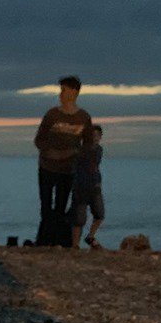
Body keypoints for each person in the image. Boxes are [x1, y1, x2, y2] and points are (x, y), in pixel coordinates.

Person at [33, 76, 94, 247]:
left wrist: (75, 153)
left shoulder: (83, 118)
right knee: (46, 206)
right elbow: (39, 139)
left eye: (64, 90)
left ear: (74, 92)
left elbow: (88, 144)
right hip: (47, 166)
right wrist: (49, 152)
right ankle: (43, 241)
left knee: (60, 206)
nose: (61, 94)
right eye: (61, 90)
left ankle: (55, 241)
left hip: (67, 169)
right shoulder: (52, 114)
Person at [71, 125, 105, 250]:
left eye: (97, 136)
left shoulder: (99, 150)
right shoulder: (80, 150)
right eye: (93, 135)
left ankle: (90, 236)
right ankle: (75, 244)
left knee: (99, 214)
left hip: (94, 185)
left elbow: (94, 166)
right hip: (81, 186)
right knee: (79, 218)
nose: (95, 138)